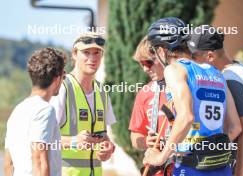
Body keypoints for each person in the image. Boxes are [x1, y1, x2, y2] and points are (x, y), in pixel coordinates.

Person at [143, 17, 241, 176]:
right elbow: (235, 127)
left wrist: (161, 157)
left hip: (191, 167)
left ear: (161, 49)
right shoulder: (216, 73)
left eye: (154, 51)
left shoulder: (174, 69)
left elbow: (186, 117)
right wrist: (211, 152)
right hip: (222, 168)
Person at [187, 25, 243, 176]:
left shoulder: (230, 80)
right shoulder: (241, 68)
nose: (192, 63)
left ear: (210, 56)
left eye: (194, 57)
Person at [50, 32, 116, 176]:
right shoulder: (62, 88)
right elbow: (42, 139)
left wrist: (107, 147)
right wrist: (73, 142)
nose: (92, 58)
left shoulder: (102, 91)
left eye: (97, 52)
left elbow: (103, 136)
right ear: (74, 54)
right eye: (86, 52)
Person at [4, 48, 66, 176]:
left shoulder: (17, 111)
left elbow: (8, 165)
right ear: (56, 79)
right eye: (63, 76)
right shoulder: (44, 110)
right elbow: (39, 160)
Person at [129, 36, 170, 175]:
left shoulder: (186, 86)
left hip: (184, 166)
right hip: (156, 170)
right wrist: (146, 141)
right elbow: (135, 137)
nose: (145, 69)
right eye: (141, 64)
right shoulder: (144, 92)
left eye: (148, 62)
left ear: (162, 55)